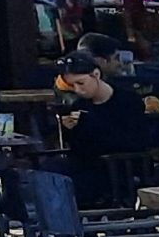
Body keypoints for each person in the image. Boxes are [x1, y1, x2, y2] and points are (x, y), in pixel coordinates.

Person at [53, 51, 153, 207]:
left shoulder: (128, 101)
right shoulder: (80, 105)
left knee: (73, 179)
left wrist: (90, 123)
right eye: (72, 86)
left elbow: (134, 141)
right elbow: (79, 149)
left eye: (81, 83)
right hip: (89, 164)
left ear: (96, 74)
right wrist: (69, 130)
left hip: (119, 167)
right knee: (50, 171)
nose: (78, 90)